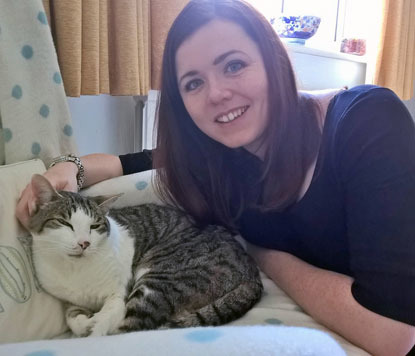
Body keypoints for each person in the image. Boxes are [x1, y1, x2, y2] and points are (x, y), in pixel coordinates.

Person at [16, 0, 415, 354]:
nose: (217, 94)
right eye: (193, 83)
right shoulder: (220, 155)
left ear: (273, 59)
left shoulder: (367, 121)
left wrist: (264, 255)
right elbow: (126, 163)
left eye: (234, 65)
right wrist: (68, 166)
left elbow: (394, 335)